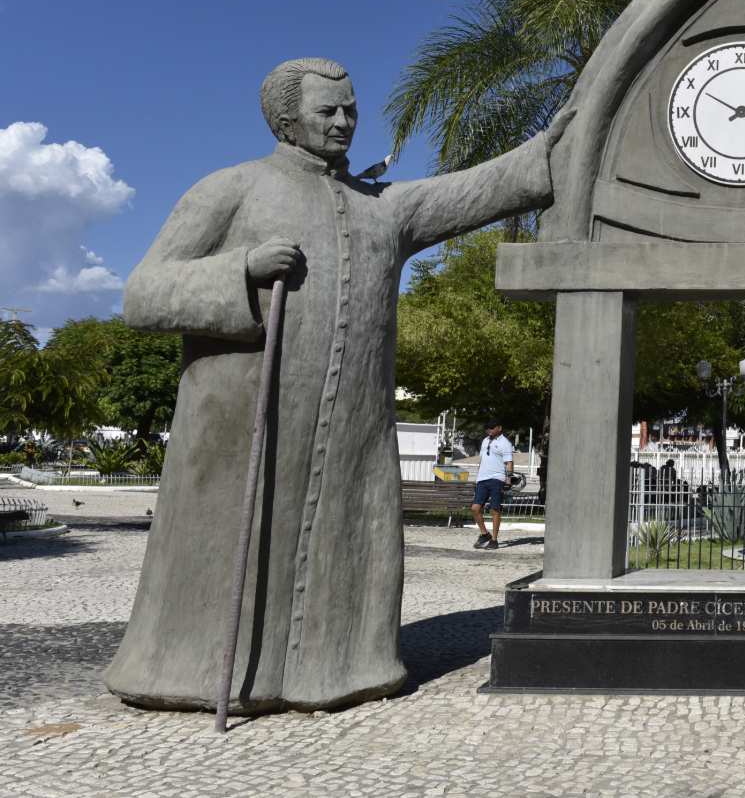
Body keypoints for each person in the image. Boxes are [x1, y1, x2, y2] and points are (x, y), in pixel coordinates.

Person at [107, 57, 572, 715]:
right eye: (329, 110)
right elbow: (143, 293)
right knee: (231, 561)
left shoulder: (379, 207)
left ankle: (338, 666)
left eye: (350, 108)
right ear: (285, 118)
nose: (345, 121)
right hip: (245, 427)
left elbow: (487, 186)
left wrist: (554, 147)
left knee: (339, 543)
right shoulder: (231, 189)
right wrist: (242, 269)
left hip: (350, 432)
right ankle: (190, 671)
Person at [471, 422, 515, 549]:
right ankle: (485, 534)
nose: (489, 430)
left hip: (497, 479)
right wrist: (478, 478)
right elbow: (482, 459)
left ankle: (494, 540)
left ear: (499, 428)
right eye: (487, 428)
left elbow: (509, 463)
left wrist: (508, 480)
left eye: (492, 427)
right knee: (475, 508)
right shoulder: (485, 440)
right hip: (482, 479)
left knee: (494, 509)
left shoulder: (505, 443)